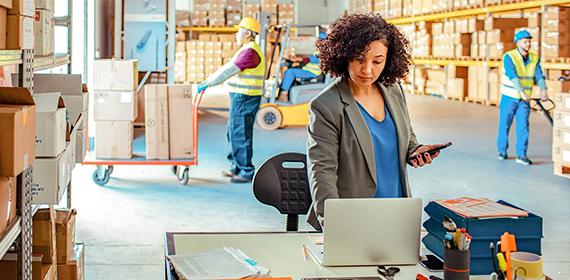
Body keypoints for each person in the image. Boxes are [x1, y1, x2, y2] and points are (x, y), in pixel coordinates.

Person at [306, 13, 445, 231]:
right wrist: (334, 226)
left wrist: (415, 150)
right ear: (344, 56)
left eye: (377, 61)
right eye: (359, 59)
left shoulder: (393, 90)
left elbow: (405, 133)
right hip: (353, 216)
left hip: (396, 210)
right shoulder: (326, 106)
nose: (368, 70)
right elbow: (322, 172)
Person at [197, 17, 266, 183]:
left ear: (248, 33)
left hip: (245, 97)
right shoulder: (246, 49)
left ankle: (245, 171)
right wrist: (208, 80)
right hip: (241, 97)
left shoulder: (250, 52)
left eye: (239, 30)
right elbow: (225, 68)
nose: (236, 34)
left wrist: (208, 83)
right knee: (233, 132)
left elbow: (228, 71)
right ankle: (236, 166)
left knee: (240, 133)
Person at [497, 29, 548, 166]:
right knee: (505, 125)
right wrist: (521, 92)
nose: (528, 44)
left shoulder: (534, 58)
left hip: (524, 100)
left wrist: (544, 90)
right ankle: (502, 150)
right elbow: (512, 76)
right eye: (525, 41)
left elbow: (539, 75)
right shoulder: (509, 57)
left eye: (529, 41)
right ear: (518, 42)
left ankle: (522, 155)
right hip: (509, 97)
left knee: (523, 127)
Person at [277, 32, 327, 101]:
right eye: (319, 39)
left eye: (320, 40)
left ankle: (284, 95)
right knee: (292, 70)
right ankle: (286, 93)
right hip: (309, 70)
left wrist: (297, 59)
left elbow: (309, 59)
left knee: (290, 72)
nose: (318, 41)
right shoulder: (319, 50)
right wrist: (297, 60)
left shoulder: (322, 52)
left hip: (312, 73)